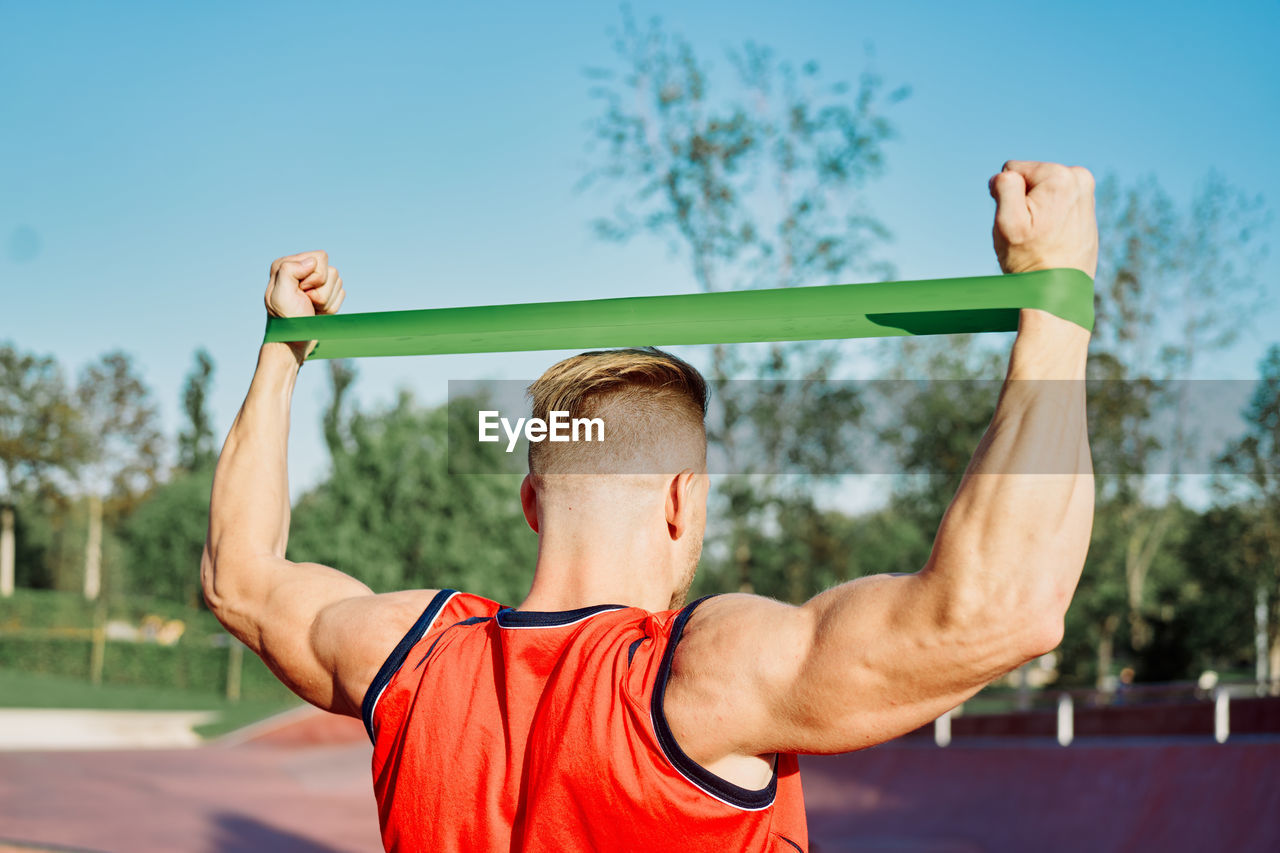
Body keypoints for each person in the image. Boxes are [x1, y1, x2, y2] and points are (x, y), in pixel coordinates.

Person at [202, 159, 1097, 852]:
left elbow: (240, 576)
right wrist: (1056, 296)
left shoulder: (410, 654)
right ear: (681, 499)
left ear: (531, 501)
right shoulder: (699, 678)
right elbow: (998, 608)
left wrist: (283, 351)